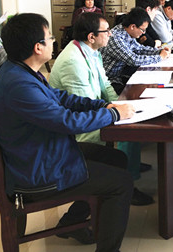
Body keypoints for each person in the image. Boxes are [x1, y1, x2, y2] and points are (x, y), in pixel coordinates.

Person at [0, 13, 135, 250]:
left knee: (116, 158)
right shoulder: (20, 85)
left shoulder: (20, 70)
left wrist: (102, 106)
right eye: (49, 37)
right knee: (122, 182)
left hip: (41, 152)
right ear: (38, 47)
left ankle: (73, 222)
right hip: (38, 169)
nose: (53, 41)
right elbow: (67, 122)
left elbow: (61, 98)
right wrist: (114, 115)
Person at [49, 13, 154, 206]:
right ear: (91, 36)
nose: (110, 34)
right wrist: (114, 113)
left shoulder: (91, 50)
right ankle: (126, 185)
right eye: (106, 31)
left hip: (92, 111)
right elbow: (83, 105)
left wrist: (118, 104)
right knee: (127, 132)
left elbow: (104, 84)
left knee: (130, 118)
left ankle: (130, 173)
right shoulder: (73, 61)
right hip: (77, 127)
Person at [102, 8, 170, 92]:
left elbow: (140, 49)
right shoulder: (115, 38)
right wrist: (160, 57)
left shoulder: (126, 33)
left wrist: (159, 51)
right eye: (142, 30)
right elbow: (133, 60)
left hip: (121, 74)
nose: (144, 33)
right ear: (133, 27)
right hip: (110, 80)